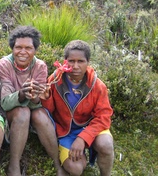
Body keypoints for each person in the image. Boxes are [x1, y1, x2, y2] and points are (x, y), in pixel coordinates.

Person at [0, 25, 66, 176]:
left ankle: (57, 162)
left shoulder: (40, 66)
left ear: (35, 50)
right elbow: (5, 102)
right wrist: (21, 94)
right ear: (12, 48)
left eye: (28, 48)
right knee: (23, 112)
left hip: (32, 110)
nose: (22, 52)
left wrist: (34, 97)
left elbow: (38, 102)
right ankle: (14, 166)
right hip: (11, 112)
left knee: (39, 115)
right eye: (18, 47)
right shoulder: (4, 64)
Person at [41, 40, 114, 176]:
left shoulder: (97, 85)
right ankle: (80, 156)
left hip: (90, 128)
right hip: (66, 132)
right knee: (75, 169)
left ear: (88, 62)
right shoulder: (55, 80)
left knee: (106, 144)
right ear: (64, 62)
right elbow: (49, 112)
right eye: (71, 61)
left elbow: (104, 117)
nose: (75, 66)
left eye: (80, 61)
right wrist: (46, 99)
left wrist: (83, 138)